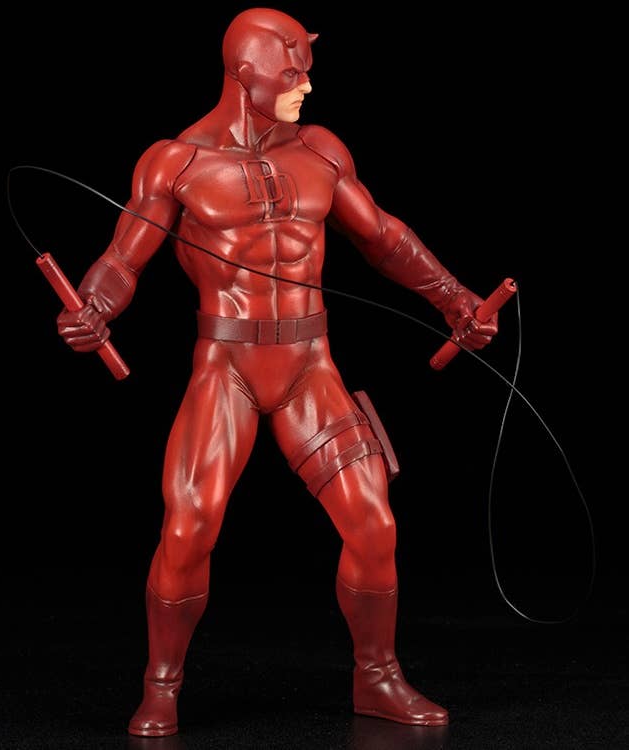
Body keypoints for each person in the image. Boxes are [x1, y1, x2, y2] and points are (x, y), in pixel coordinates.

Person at [56, 7, 498, 738]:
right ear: (244, 75)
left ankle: (377, 677)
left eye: (306, 71)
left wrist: (455, 298)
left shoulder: (320, 150)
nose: (306, 86)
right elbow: (122, 259)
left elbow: (383, 238)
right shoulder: (176, 161)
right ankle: (161, 686)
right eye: (291, 73)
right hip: (226, 367)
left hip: (308, 367)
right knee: (189, 526)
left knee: (374, 523)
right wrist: (93, 307)